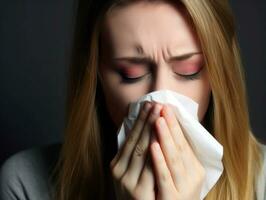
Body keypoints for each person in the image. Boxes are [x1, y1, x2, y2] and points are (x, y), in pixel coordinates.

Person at [1, 0, 266, 199]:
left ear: (221, 73)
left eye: (189, 70)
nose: (161, 104)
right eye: (132, 74)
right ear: (94, 75)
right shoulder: (26, 182)